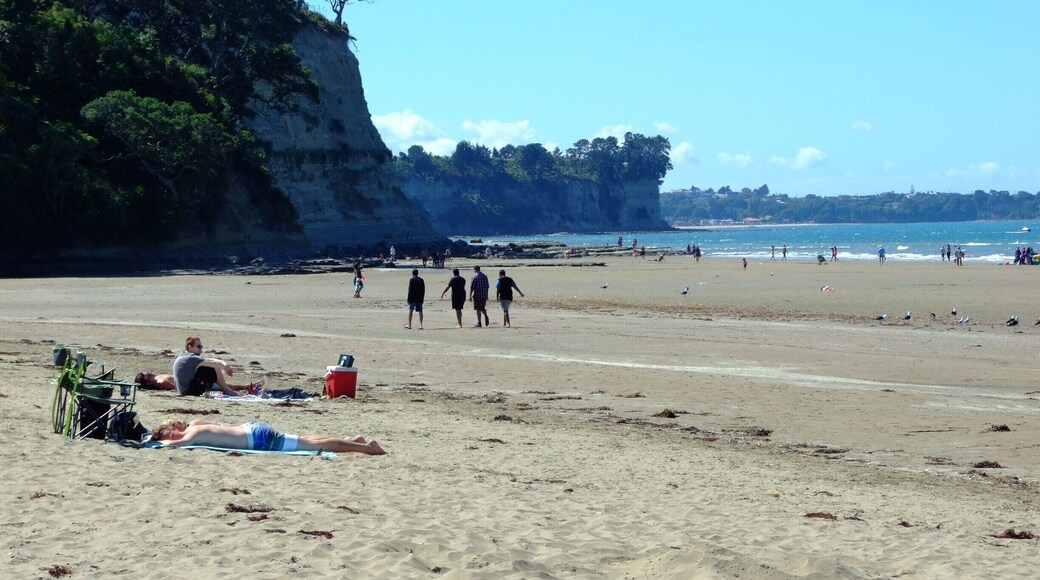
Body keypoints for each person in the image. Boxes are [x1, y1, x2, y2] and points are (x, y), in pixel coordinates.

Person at [150, 418, 386, 455]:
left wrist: (156, 441)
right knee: (308, 438)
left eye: (168, 433)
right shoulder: (195, 424)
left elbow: (179, 443)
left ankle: (366, 448)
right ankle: (353, 440)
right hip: (253, 430)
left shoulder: (192, 432)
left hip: (259, 439)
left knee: (312, 445)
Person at [172, 337, 261, 396]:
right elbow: (213, 362)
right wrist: (225, 366)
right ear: (190, 347)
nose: (201, 349)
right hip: (188, 391)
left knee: (208, 370)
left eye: (201, 346)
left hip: (183, 390)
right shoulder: (190, 358)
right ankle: (227, 390)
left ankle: (237, 387)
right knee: (210, 367)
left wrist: (223, 364)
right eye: (198, 346)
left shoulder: (183, 356)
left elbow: (210, 361)